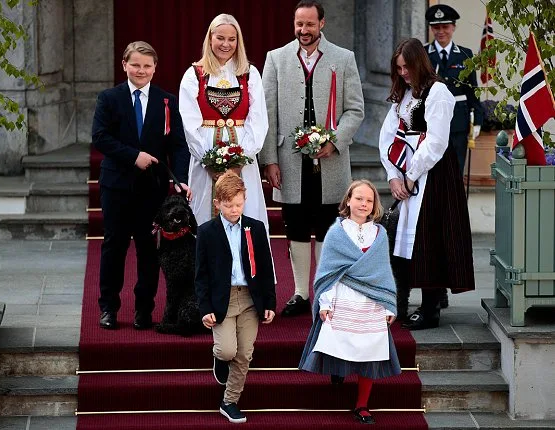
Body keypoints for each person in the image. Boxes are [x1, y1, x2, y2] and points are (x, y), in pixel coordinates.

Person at [260, 0, 364, 317]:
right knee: (296, 226)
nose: (303, 30)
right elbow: (266, 113)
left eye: (309, 24)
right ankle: (301, 293)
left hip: (330, 160)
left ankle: (325, 290)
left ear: (322, 23)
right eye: (298, 24)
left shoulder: (343, 59)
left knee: (328, 225)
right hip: (289, 161)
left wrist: (335, 141)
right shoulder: (276, 59)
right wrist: (269, 160)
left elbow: (355, 109)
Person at [92, 41, 191, 330]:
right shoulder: (109, 98)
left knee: (149, 251)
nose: (141, 70)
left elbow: (179, 145)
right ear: (124, 64)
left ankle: (143, 310)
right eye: (135, 65)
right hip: (117, 187)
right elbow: (100, 137)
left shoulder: (167, 101)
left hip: (153, 189)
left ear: (155, 68)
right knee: (115, 247)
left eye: (147, 66)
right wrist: (133, 156)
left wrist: (181, 179)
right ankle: (108, 308)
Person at [379, 38, 475, 330]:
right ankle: (402, 302)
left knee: (430, 237)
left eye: (407, 66)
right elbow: (387, 136)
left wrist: (411, 174)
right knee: (402, 239)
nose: (404, 73)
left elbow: (436, 141)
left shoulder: (439, 93)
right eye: (399, 68)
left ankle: (431, 307)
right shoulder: (405, 94)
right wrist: (394, 176)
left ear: (419, 62)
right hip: (407, 175)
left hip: (434, 175)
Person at [299, 179, 401, 425]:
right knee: (339, 340)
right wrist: (325, 303)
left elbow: (383, 271)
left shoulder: (379, 233)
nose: (364, 204)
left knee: (371, 350)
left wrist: (389, 304)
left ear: (374, 204)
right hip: (343, 295)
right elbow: (328, 271)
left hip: (372, 300)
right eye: (359, 198)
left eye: (369, 200)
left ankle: (362, 405)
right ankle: (337, 371)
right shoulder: (336, 232)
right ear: (348, 201)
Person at [195, 171, 276, 424]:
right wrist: (204, 307)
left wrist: (270, 303)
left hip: (250, 300)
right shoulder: (207, 232)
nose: (234, 210)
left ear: (245, 200)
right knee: (228, 350)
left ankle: (230, 401)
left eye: (239, 204)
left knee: (244, 354)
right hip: (223, 300)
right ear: (217, 203)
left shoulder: (256, 228)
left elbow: (265, 267)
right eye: (228, 205)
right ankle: (220, 358)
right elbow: (201, 275)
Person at [179, 14, 269, 228]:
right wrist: (209, 162)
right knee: (204, 214)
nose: (226, 44)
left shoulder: (249, 73)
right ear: (210, 38)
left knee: (246, 214)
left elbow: (258, 121)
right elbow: (190, 124)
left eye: (232, 39)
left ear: (239, 42)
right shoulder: (194, 75)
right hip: (205, 158)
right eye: (220, 38)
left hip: (243, 157)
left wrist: (240, 161)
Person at [425, 4, 483, 309]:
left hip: (457, 131)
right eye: (436, 27)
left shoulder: (465, 56)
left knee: (451, 195)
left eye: (445, 27)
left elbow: (472, 95)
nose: (441, 31)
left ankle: (445, 281)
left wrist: (479, 122)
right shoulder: (423, 54)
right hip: (430, 132)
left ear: (453, 28)